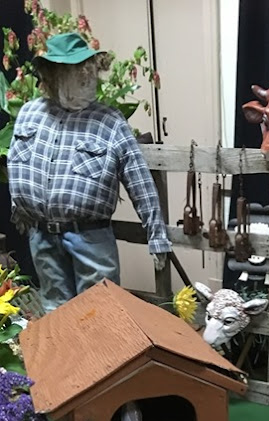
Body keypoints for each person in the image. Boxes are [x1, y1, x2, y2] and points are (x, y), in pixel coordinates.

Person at [7, 32, 171, 312]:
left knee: (99, 313)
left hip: (90, 238)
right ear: (52, 73)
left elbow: (140, 181)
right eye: (72, 70)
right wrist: (20, 210)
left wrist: (157, 237)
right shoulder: (29, 114)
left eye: (86, 70)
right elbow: (17, 163)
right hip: (42, 237)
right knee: (56, 313)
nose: (84, 77)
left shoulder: (110, 122)